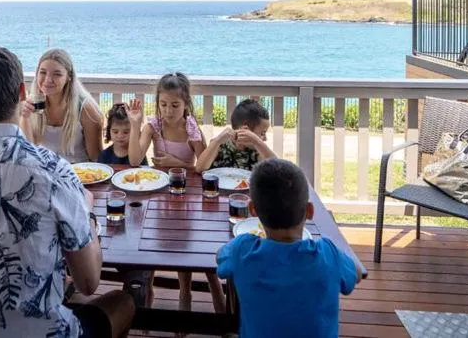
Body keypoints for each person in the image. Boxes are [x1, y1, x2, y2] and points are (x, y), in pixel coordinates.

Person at [0, 46, 134, 338]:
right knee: (122, 302)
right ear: (23, 91)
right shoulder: (55, 171)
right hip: (36, 332)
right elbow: (88, 282)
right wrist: (86, 212)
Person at [217, 158, 360, 338]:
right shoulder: (328, 254)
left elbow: (221, 259)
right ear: (309, 211)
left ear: (253, 209)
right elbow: (355, 275)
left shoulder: (242, 250)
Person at [127, 73, 223, 312]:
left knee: (184, 250)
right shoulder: (153, 126)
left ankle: (185, 294)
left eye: (175, 105)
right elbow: (134, 159)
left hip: (186, 197)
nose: (168, 111)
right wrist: (136, 124)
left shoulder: (190, 127)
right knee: (151, 247)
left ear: (186, 105)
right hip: (158, 196)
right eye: (163, 104)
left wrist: (175, 163)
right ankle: (146, 301)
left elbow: (203, 166)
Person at [20, 48, 104, 163]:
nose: (48, 80)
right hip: (45, 173)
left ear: (68, 77)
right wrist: (25, 118)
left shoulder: (86, 110)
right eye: (43, 72)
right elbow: (29, 152)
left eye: (57, 74)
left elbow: (96, 158)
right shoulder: (32, 105)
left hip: (78, 174)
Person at [196, 98, 276, 172]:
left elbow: (278, 170)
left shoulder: (258, 151)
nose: (265, 139)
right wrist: (217, 140)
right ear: (245, 129)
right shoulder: (220, 145)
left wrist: (258, 142)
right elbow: (199, 168)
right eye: (262, 133)